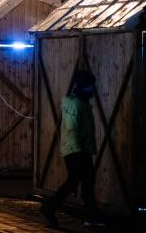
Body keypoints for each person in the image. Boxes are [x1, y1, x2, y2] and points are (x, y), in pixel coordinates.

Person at [40, 70, 103, 228]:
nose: (93, 88)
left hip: (78, 148)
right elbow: (72, 129)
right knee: (78, 181)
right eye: (91, 85)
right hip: (77, 149)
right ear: (86, 87)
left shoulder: (81, 103)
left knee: (82, 181)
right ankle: (50, 207)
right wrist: (80, 149)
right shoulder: (76, 104)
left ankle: (89, 216)